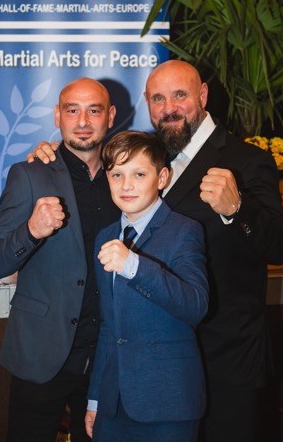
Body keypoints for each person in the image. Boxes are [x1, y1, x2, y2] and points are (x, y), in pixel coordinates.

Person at [29, 59, 283, 442]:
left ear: (202, 95)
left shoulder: (246, 160)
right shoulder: (150, 156)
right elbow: (100, 161)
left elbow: (279, 247)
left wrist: (238, 208)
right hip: (151, 371)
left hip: (226, 362)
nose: (168, 108)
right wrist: (52, 154)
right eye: (157, 98)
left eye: (179, 95)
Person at [0, 77, 120, 442]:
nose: (83, 121)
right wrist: (31, 230)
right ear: (58, 115)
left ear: (111, 116)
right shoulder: (30, 173)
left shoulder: (125, 177)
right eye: (72, 110)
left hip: (106, 355)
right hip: (42, 351)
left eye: (94, 111)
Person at [84, 130, 209, 442]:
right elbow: (108, 327)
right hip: (113, 403)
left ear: (162, 177)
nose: (126, 185)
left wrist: (134, 266)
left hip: (167, 402)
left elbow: (195, 305)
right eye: (117, 174)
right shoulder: (105, 237)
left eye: (139, 174)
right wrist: (96, 398)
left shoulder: (184, 230)